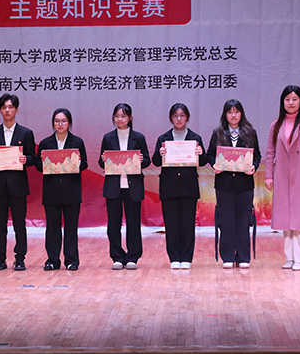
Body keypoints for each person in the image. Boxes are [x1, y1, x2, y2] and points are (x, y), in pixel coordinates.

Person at [265, 85, 300, 271]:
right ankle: (289, 257)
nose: (291, 102)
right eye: (287, 99)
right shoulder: (276, 125)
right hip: (282, 175)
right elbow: (270, 152)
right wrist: (269, 176)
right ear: (283, 102)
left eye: (294, 99)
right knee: (285, 219)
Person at [151, 103, 208, 269]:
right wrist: (160, 153)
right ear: (171, 118)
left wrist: (200, 153)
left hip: (189, 186)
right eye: (175, 116)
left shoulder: (195, 138)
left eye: (182, 115)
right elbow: (155, 161)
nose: (179, 119)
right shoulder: (163, 138)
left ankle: (187, 258)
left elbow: (203, 162)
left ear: (187, 117)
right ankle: (174, 257)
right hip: (169, 187)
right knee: (171, 224)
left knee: (188, 224)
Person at [206, 99, 261, 269]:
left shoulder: (250, 133)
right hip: (224, 185)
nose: (233, 115)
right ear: (225, 115)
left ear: (241, 114)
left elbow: (257, 155)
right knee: (226, 221)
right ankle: (228, 257)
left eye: (236, 111)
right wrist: (214, 164)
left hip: (244, 185)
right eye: (230, 112)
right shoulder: (218, 133)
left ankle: (243, 257)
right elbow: (210, 154)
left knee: (244, 221)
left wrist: (254, 166)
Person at [0, 93, 36, 271]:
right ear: (0, 110)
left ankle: (20, 258)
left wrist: (26, 159)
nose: (7, 110)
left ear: (16, 110)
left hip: (18, 186)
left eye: (10, 107)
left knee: (20, 224)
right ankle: (0, 259)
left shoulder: (26, 133)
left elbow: (33, 157)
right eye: (4, 107)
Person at [98, 103, 151, 270]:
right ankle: (117, 256)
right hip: (113, 186)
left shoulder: (138, 137)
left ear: (130, 118)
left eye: (123, 116)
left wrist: (141, 160)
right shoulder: (108, 138)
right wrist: (104, 160)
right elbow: (101, 162)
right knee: (113, 224)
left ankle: (133, 257)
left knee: (133, 223)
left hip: (133, 186)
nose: (119, 119)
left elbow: (147, 160)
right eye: (117, 116)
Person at [35, 108, 88, 271]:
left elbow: (85, 164)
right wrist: (43, 162)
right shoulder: (45, 143)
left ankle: (71, 260)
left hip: (71, 191)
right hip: (51, 191)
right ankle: (52, 260)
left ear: (69, 123)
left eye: (63, 121)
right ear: (53, 123)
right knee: (52, 228)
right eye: (57, 121)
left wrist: (77, 162)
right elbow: (38, 166)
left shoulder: (77, 142)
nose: (60, 124)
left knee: (71, 228)